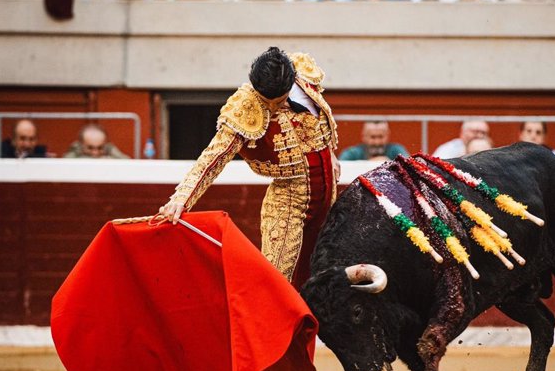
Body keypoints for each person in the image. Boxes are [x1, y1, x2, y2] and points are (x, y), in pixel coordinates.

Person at [159, 47, 340, 290]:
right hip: (289, 200)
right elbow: (214, 156)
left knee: (323, 267)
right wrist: (182, 198)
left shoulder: (303, 75)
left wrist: (329, 151)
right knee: (276, 279)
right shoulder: (246, 105)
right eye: (271, 103)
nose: (280, 106)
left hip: (328, 192)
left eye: (283, 98)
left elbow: (318, 124)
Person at [338, 121, 408, 161]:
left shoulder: (397, 150)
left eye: (380, 137)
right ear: (363, 137)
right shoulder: (352, 153)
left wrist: (389, 163)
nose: (377, 142)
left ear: (387, 136)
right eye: (373, 137)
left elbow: (409, 167)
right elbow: (341, 168)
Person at [64, 124, 129, 159]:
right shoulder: (75, 154)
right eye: (90, 148)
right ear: (81, 145)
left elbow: (128, 164)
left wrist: (112, 151)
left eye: (100, 148)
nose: (95, 153)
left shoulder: (110, 152)